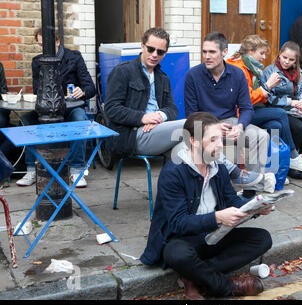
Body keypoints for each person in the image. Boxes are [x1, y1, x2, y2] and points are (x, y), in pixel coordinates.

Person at [140, 112, 273, 299]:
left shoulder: (217, 165)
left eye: (220, 138)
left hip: (213, 234)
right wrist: (218, 217)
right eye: (213, 139)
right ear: (193, 141)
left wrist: (257, 207)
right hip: (183, 239)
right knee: (177, 254)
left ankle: (195, 276)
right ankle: (226, 286)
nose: (220, 145)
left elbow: (232, 202)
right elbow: (178, 223)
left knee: (262, 238)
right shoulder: (173, 172)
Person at [184, 32, 272, 198]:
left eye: (212, 52)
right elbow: (192, 114)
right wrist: (213, 127)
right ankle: (212, 191)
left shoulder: (237, 74)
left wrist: (240, 126)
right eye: (204, 52)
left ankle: (250, 190)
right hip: (203, 126)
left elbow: (246, 108)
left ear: (224, 52)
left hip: (230, 123)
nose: (207, 56)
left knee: (261, 136)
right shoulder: (193, 75)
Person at [226, 35, 302, 180]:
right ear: (250, 51)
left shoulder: (251, 68)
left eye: (291, 59)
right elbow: (246, 100)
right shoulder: (242, 69)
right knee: (281, 115)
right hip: (240, 114)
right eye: (261, 53)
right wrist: (268, 88)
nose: (263, 57)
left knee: (276, 126)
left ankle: (276, 170)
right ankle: (293, 156)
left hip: (253, 110)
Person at [16, 28, 96, 188]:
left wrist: (83, 91)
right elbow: (37, 90)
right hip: (48, 111)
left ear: (58, 42)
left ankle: (76, 170)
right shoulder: (37, 61)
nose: (42, 49)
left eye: (45, 45)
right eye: (40, 45)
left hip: (71, 109)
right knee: (26, 120)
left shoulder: (74, 57)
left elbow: (91, 88)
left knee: (80, 119)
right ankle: (32, 169)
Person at [104, 27, 185, 164]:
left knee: (188, 150)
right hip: (133, 136)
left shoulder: (163, 78)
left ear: (165, 54)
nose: (154, 55)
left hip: (159, 131)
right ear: (142, 46)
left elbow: (172, 109)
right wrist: (143, 118)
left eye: (160, 52)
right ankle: (232, 170)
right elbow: (111, 109)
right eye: (150, 49)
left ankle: (173, 184)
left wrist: (159, 116)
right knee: (196, 124)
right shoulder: (123, 72)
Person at [261, 41, 302, 178]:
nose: (287, 62)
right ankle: (289, 165)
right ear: (279, 55)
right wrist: (291, 102)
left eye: (291, 59)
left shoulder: (297, 71)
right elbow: (269, 98)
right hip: (280, 109)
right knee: (298, 128)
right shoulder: (270, 71)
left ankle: (301, 160)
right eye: (284, 57)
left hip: (297, 108)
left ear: (296, 60)